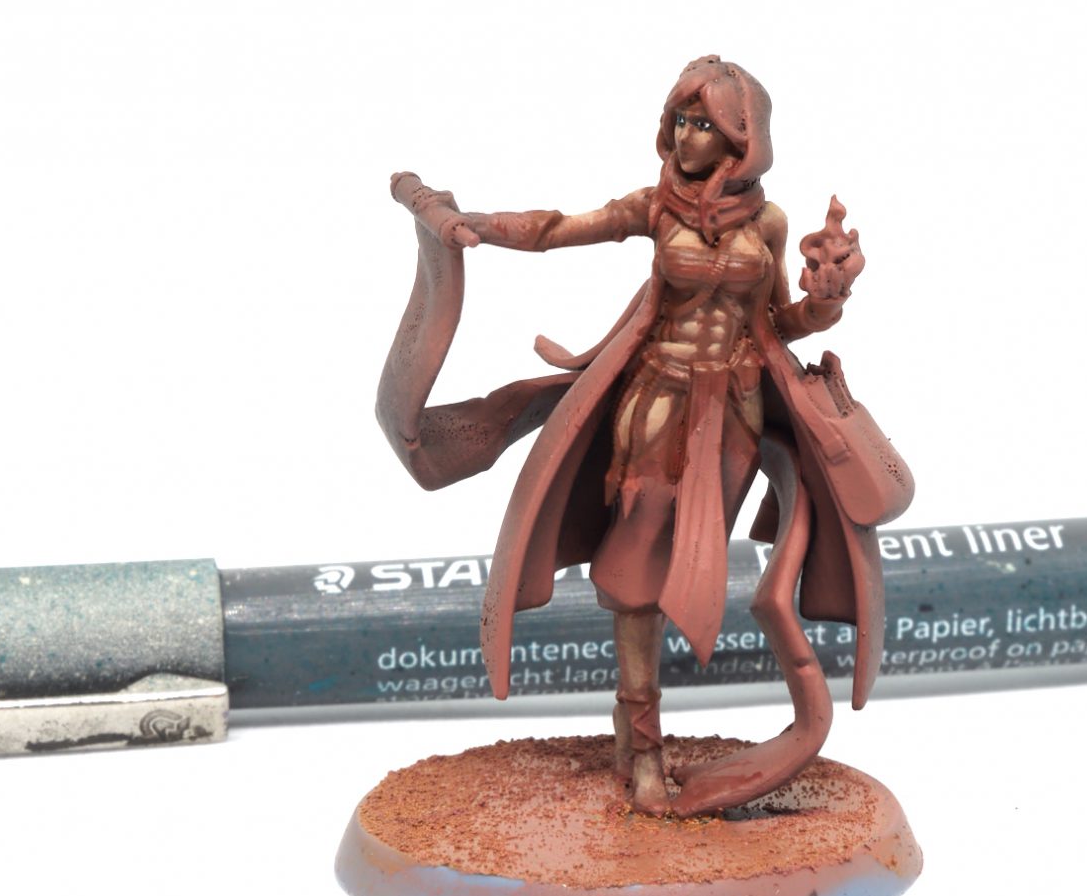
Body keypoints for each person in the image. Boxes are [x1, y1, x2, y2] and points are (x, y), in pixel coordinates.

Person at [377, 56, 913, 816]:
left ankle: (646, 740)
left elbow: (777, 322)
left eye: (704, 125)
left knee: (690, 569)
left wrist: (827, 301)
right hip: (658, 401)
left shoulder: (767, 223)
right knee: (637, 568)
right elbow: (561, 229)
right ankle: (643, 743)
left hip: (733, 414)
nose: (687, 137)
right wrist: (483, 228)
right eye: (681, 121)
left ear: (742, 140)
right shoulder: (657, 208)